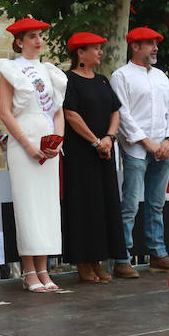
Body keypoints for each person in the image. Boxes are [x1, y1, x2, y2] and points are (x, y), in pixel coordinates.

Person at [0, 18, 67, 292]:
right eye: (32, 36)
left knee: (48, 206)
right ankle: (28, 271)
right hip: (23, 141)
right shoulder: (10, 69)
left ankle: (44, 269)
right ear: (19, 41)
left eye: (40, 36)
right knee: (28, 206)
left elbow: (58, 110)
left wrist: (57, 141)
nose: (39, 41)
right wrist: (27, 144)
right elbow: (5, 112)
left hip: (49, 145)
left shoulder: (50, 72)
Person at [110, 26, 169, 273]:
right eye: (150, 43)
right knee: (130, 204)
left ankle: (157, 252)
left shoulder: (161, 76)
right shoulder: (121, 75)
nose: (155, 47)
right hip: (136, 149)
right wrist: (145, 141)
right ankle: (123, 257)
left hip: (162, 147)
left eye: (155, 43)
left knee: (156, 203)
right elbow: (123, 114)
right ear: (135, 46)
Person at [61, 31, 127, 282]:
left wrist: (109, 138)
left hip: (104, 152)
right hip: (81, 153)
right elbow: (71, 114)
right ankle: (83, 261)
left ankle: (98, 260)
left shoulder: (102, 80)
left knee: (103, 205)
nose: (100, 52)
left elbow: (115, 111)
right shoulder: (69, 80)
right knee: (83, 205)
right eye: (95, 48)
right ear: (80, 52)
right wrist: (95, 141)